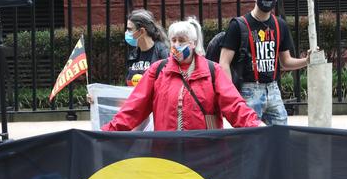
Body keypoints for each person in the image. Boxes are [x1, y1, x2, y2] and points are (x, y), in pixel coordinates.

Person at [103, 17, 261, 131]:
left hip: (204, 152)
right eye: (173, 40)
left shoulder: (213, 71)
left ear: (192, 43)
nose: (177, 45)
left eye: (182, 40)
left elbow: (234, 105)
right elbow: (133, 108)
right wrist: (108, 131)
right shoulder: (158, 70)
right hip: (167, 153)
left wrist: (256, 126)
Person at [218, 0, 308, 125]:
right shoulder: (238, 25)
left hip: (273, 89)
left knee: (280, 137)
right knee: (250, 141)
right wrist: (230, 93)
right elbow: (224, 62)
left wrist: (307, 60)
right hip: (248, 89)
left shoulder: (280, 25)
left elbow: (285, 62)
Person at [124, 9, 169, 87]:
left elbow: (167, 84)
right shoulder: (133, 54)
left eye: (130, 29)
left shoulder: (163, 52)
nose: (126, 33)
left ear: (141, 31)